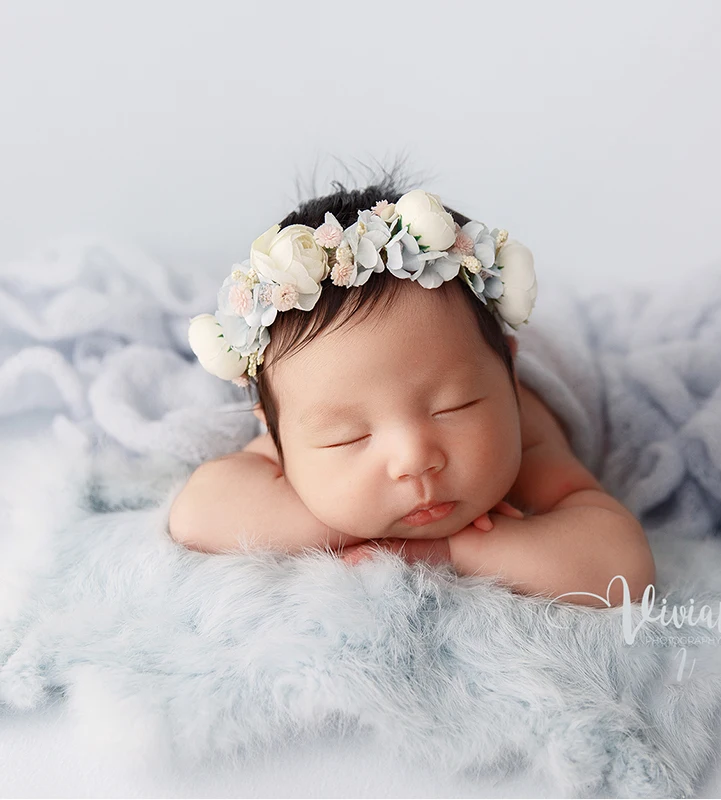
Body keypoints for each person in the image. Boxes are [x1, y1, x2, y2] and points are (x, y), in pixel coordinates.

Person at [169, 173, 655, 606]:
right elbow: (198, 514)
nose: (414, 459)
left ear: (507, 371)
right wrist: (352, 518)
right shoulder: (304, 413)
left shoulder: (524, 422)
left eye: (452, 407)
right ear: (276, 435)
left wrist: (450, 548)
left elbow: (620, 564)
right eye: (348, 437)